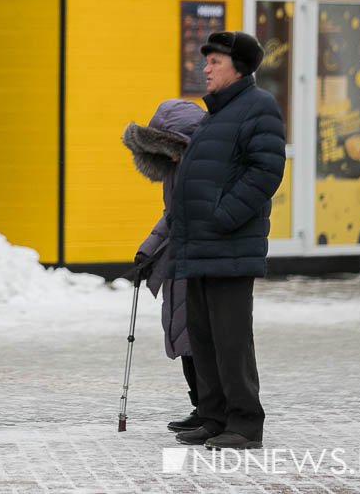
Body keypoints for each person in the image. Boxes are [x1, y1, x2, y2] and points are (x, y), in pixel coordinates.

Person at [169, 31, 286, 450]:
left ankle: (245, 423)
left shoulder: (259, 107)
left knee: (232, 340)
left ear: (238, 67)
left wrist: (224, 217)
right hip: (200, 246)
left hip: (229, 245)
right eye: (207, 62)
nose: (206, 68)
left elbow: (266, 171)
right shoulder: (216, 114)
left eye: (214, 61)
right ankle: (214, 417)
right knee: (203, 337)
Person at [122, 99, 207, 434]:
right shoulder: (178, 169)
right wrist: (147, 252)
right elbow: (171, 217)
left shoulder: (199, 168)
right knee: (184, 338)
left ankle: (211, 408)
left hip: (197, 261)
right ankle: (201, 406)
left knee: (196, 340)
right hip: (181, 260)